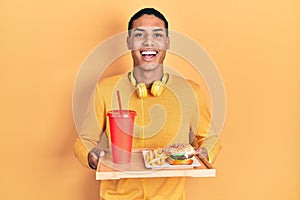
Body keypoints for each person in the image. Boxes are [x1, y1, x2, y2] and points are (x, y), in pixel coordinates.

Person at [74, 7, 221, 199]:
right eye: (139, 35)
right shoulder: (106, 89)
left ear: (167, 42)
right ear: (129, 42)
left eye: (157, 35)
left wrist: (205, 153)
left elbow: (210, 139)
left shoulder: (190, 91)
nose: (149, 41)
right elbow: (84, 140)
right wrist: (90, 155)